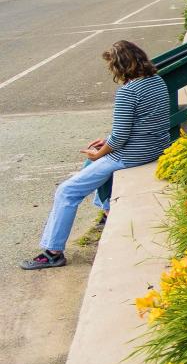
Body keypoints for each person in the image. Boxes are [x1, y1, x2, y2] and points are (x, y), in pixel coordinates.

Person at [21, 41, 170, 270]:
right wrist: (105, 142)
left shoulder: (128, 92)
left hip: (131, 155)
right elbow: (137, 125)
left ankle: (53, 252)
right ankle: (107, 210)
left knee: (67, 191)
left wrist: (100, 152)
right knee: (88, 163)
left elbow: (120, 138)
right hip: (154, 146)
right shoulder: (156, 81)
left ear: (120, 66)